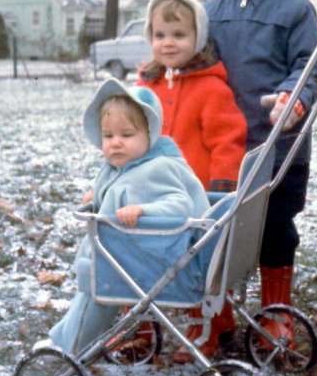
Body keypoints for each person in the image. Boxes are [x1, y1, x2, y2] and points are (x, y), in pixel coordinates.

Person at [205, 0, 317, 343]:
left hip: (280, 148)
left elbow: (311, 64)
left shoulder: (295, 9)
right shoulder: (211, 10)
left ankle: (276, 314)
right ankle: (214, 312)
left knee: (276, 227)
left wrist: (294, 100)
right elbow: (198, 63)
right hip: (224, 150)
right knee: (218, 233)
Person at [35, 79, 210, 356]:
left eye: (127, 135)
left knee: (96, 291)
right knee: (92, 289)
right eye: (108, 136)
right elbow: (121, 186)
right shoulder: (124, 166)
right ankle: (68, 339)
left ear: (149, 134)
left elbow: (180, 205)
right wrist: (98, 196)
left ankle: (74, 348)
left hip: (164, 262)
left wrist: (144, 210)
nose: (116, 143)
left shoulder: (158, 168)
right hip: (134, 254)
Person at [138, 0, 247, 362]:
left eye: (179, 35)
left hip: (196, 197)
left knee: (200, 268)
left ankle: (215, 326)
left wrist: (221, 187)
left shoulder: (211, 89)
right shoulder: (144, 89)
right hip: (151, 196)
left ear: (197, 38)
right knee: (133, 254)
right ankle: (134, 325)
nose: (168, 43)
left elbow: (227, 140)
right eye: (159, 35)